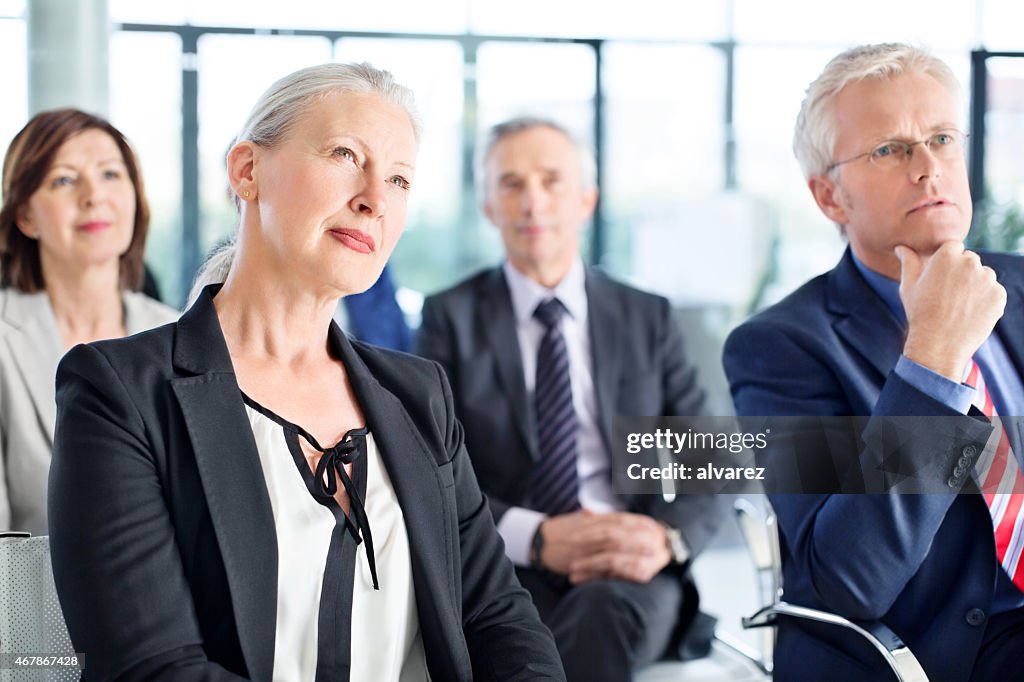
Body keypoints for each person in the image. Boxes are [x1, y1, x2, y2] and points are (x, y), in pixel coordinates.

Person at [49, 63, 564, 681]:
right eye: (346, 154)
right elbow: (153, 667)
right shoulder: (120, 393)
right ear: (247, 171)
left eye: (399, 179)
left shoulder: (418, 395)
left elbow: (497, 617)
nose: (375, 198)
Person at [723, 43, 1024, 680]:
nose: (928, 168)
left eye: (942, 138)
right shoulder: (780, 348)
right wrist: (934, 359)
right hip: (941, 651)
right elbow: (852, 578)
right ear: (830, 197)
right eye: (889, 149)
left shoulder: (1019, 289)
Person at [416, 117, 723, 681]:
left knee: (598, 615)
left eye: (552, 180)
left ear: (586, 199)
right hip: (506, 564)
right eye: (511, 184)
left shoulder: (645, 317)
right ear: (489, 207)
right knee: (509, 631)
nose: (533, 201)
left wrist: (665, 539)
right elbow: (426, 468)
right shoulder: (449, 320)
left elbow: (708, 457)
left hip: (628, 568)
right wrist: (535, 538)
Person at [0, 108, 178, 535]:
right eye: (64, 180)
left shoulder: (178, 337)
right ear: (25, 215)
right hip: (31, 599)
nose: (93, 195)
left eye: (111, 175)